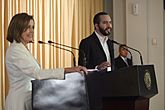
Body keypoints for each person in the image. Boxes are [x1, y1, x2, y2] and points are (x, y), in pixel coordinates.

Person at [5, 13, 87, 110]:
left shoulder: (22, 48)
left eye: (32, 27)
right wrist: (68, 70)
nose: (31, 31)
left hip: (29, 98)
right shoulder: (15, 50)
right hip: (19, 101)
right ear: (17, 29)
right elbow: (37, 73)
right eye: (27, 27)